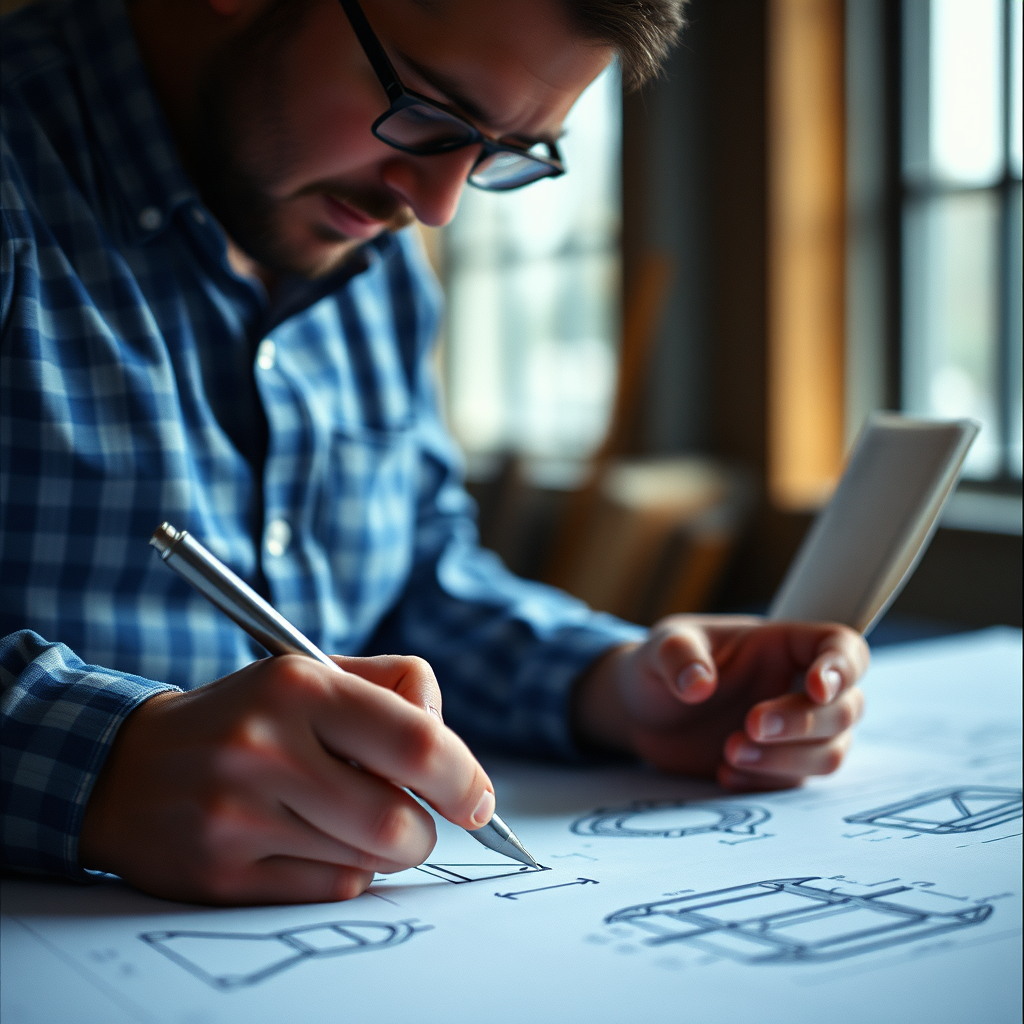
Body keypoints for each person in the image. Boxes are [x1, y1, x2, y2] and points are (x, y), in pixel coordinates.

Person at [0, 0, 868, 906]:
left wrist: (614, 687)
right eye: (425, 110)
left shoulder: (372, 266)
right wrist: (103, 767)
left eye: (500, 153)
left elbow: (413, 579)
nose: (435, 204)